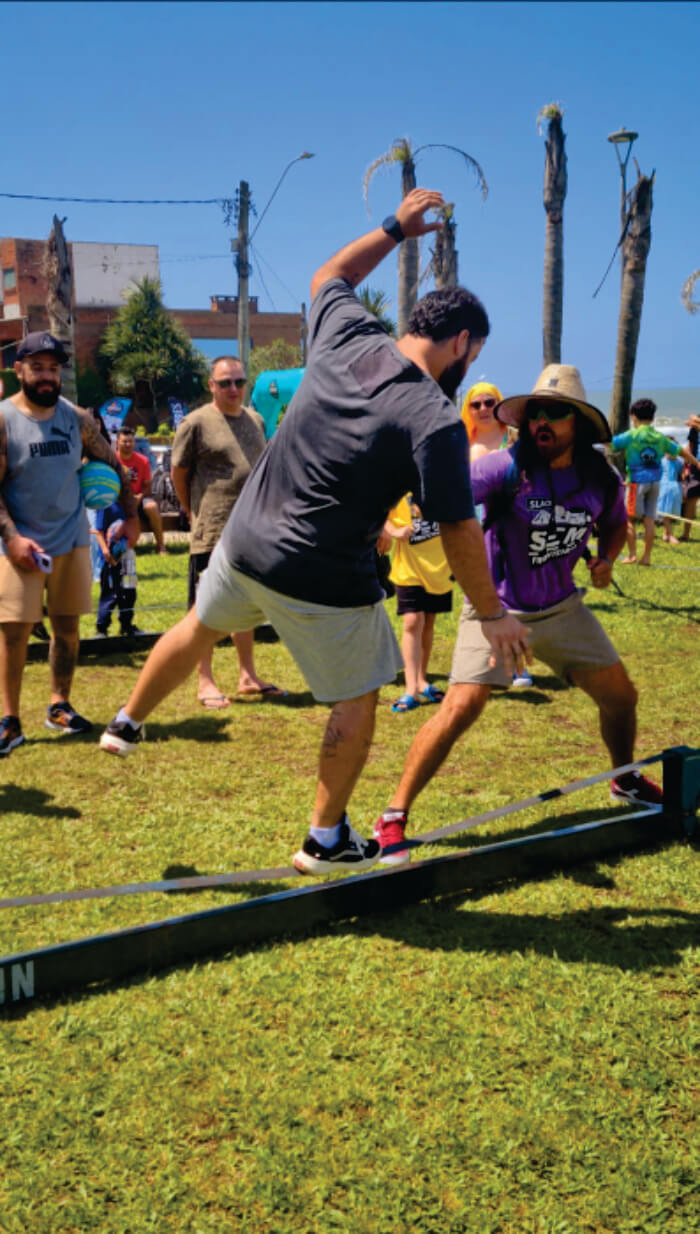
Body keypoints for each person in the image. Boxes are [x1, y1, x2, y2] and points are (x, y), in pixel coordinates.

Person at [100, 187, 530, 875]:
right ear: (460, 343)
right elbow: (455, 526)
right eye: (471, 356)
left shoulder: (347, 336)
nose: (469, 367)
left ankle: (125, 720)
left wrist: (394, 226)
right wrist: (492, 612)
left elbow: (329, 277)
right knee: (358, 696)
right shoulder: (434, 417)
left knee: (197, 625)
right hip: (321, 574)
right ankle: (325, 837)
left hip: (244, 544)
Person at [374, 365, 664, 867]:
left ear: (579, 422)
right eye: (534, 414)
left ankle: (624, 777)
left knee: (622, 696)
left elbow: (615, 525)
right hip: (495, 609)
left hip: (562, 608)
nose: (541, 423)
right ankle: (393, 817)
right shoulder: (502, 468)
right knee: (461, 706)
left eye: (554, 413)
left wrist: (606, 560)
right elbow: (446, 501)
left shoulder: (600, 477)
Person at [0, 332, 139, 755]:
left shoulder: (77, 418)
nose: (46, 376)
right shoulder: (4, 420)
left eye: (53, 368)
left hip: (73, 539)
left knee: (67, 627)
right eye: (37, 367)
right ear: (19, 370)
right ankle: (9, 720)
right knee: (13, 632)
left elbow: (111, 464)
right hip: (19, 543)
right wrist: (13, 538)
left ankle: (59, 706)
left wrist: (131, 516)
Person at [170, 355, 285, 707]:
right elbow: (179, 473)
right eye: (225, 383)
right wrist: (193, 512)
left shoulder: (256, 419)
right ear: (211, 385)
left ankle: (247, 676)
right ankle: (205, 681)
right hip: (212, 530)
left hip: (249, 531)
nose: (233, 389)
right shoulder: (196, 422)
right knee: (204, 608)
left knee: (245, 605)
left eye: (239, 382)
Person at [462, 379, 533, 689]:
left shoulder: (515, 440)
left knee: (514, 596)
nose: (483, 409)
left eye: (489, 402)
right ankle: (479, 666)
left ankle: (519, 666)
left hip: (512, 527)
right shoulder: (461, 443)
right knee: (476, 596)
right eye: (475, 404)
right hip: (473, 531)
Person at [383, 493, 453, 714]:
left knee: (429, 621)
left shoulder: (441, 482)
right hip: (409, 568)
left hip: (439, 566)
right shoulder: (398, 485)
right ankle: (411, 688)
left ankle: (422, 680)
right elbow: (377, 511)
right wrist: (393, 532)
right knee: (413, 621)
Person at [612, 399, 698, 566]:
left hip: (636, 483)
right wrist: (696, 463)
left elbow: (611, 444)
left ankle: (632, 555)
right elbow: (680, 451)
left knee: (628, 520)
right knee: (649, 520)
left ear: (633, 417)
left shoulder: (632, 435)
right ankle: (646, 558)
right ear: (652, 418)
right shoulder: (660, 437)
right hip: (655, 483)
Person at [94, 500, 144, 637]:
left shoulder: (129, 505)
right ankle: (102, 628)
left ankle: (126, 624)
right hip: (110, 558)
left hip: (127, 557)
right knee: (109, 593)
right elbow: (98, 530)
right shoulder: (105, 502)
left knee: (129, 591)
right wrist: (105, 551)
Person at [115, 425, 166, 554]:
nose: (128, 444)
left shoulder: (143, 461)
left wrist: (139, 497)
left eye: (130, 441)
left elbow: (147, 485)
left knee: (152, 507)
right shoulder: (112, 460)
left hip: (139, 497)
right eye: (124, 441)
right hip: (118, 499)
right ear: (117, 442)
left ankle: (161, 546)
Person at [679, 414, 700, 543]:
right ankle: (686, 533)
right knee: (691, 498)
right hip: (695, 467)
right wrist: (684, 465)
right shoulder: (693, 430)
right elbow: (690, 447)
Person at [657, 454, 685, 543]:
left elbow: (682, 475)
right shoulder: (662, 461)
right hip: (664, 487)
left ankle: (666, 533)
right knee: (665, 511)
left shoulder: (679, 462)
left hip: (675, 487)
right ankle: (670, 535)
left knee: (671, 512)